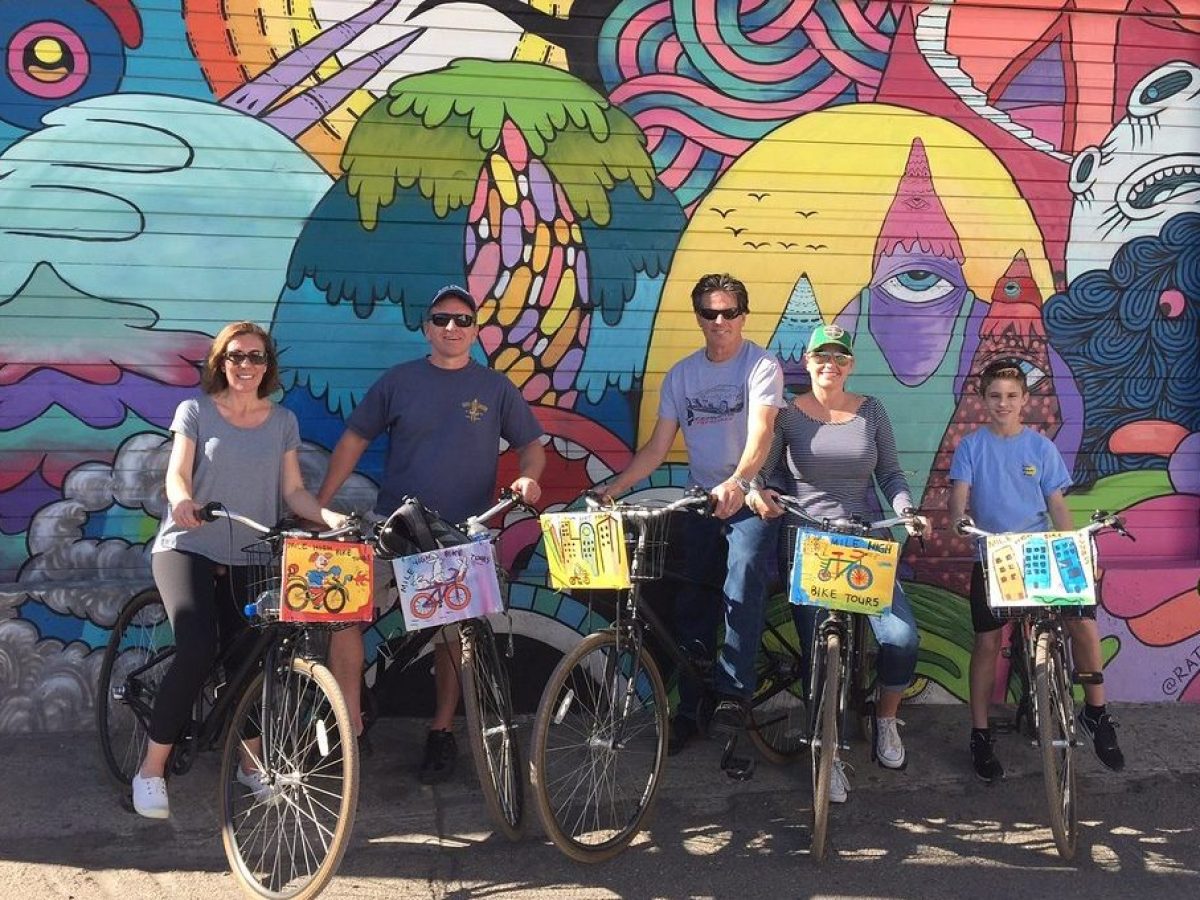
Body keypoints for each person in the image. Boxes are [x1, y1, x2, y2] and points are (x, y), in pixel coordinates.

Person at [319, 285, 544, 784]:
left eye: (463, 321)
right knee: (342, 613)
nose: (451, 329)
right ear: (426, 327)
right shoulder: (398, 382)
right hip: (391, 526)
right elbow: (353, 441)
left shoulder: (495, 387)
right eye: (441, 319)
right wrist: (318, 504)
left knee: (451, 635)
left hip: (458, 534)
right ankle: (350, 725)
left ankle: (442, 730)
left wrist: (529, 476)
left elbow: (532, 447)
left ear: (476, 331)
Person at [134, 321, 347, 820]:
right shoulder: (196, 411)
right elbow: (177, 472)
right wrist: (183, 500)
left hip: (249, 553)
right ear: (220, 362)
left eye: (255, 357)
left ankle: (249, 764)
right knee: (196, 646)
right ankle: (150, 770)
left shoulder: (282, 422)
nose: (245, 366)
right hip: (188, 544)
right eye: (235, 357)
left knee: (251, 659)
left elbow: (292, 491)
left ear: (268, 365)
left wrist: (328, 514)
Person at [599, 273, 785, 754]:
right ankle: (690, 710)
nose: (719, 321)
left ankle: (733, 696)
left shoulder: (760, 365)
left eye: (728, 312)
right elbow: (656, 449)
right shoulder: (682, 375)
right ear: (699, 317)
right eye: (709, 313)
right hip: (701, 498)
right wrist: (612, 488)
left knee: (741, 580)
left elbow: (761, 434)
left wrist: (740, 482)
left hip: (749, 496)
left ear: (743, 316)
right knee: (689, 605)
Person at [752, 324, 926, 803]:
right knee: (818, 656)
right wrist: (761, 493)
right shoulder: (788, 416)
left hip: (862, 541)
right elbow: (765, 473)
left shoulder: (872, 411)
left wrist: (906, 509)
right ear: (806, 361)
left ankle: (885, 717)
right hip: (810, 542)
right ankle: (825, 755)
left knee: (901, 637)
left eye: (840, 356)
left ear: (851, 364)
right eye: (821, 355)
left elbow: (889, 472)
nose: (830, 363)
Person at [948, 358, 1124, 782]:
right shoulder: (972, 447)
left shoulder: (1041, 447)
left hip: (1039, 554)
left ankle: (1096, 713)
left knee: (1081, 621)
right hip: (994, 556)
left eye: (1011, 396)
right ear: (983, 400)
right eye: (995, 396)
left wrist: (1072, 549)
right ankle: (980, 731)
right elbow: (958, 500)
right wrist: (959, 522)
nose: (1003, 403)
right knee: (987, 643)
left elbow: (1057, 505)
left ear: (1025, 399)